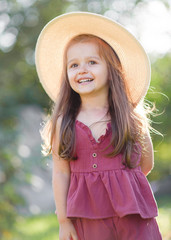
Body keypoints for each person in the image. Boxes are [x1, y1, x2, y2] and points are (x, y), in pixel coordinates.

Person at [35, 12, 162, 240]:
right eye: (74, 65)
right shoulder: (64, 123)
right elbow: (61, 174)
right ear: (67, 74)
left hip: (133, 218)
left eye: (92, 62)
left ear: (111, 69)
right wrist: (64, 221)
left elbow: (145, 164)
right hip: (87, 220)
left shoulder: (129, 118)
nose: (82, 69)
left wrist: (117, 182)